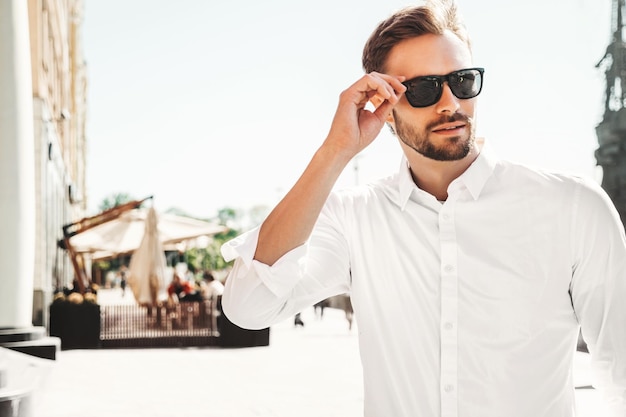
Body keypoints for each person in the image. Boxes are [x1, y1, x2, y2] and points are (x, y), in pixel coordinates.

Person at [220, 1, 626, 416]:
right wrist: (335, 152)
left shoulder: (574, 208)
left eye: (463, 81)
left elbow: (620, 371)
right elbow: (248, 308)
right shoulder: (353, 218)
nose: (450, 102)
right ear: (385, 106)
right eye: (424, 88)